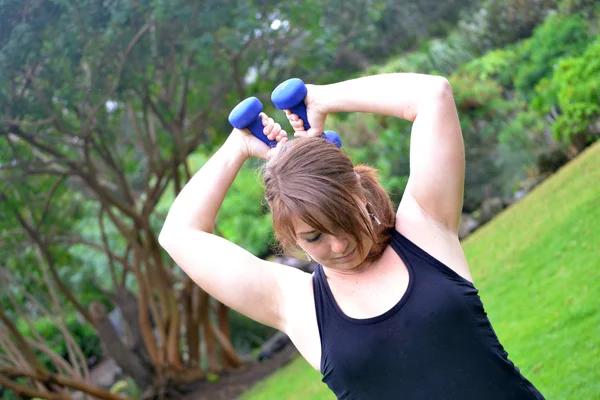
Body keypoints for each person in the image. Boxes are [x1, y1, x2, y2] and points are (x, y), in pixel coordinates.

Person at [158, 73, 545, 399]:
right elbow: (178, 234)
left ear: (360, 193)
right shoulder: (297, 304)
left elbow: (433, 95)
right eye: (314, 238)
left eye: (344, 221)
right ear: (291, 236)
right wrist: (238, 147)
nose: (339, 245)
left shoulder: (425, 228)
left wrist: (321, 98)